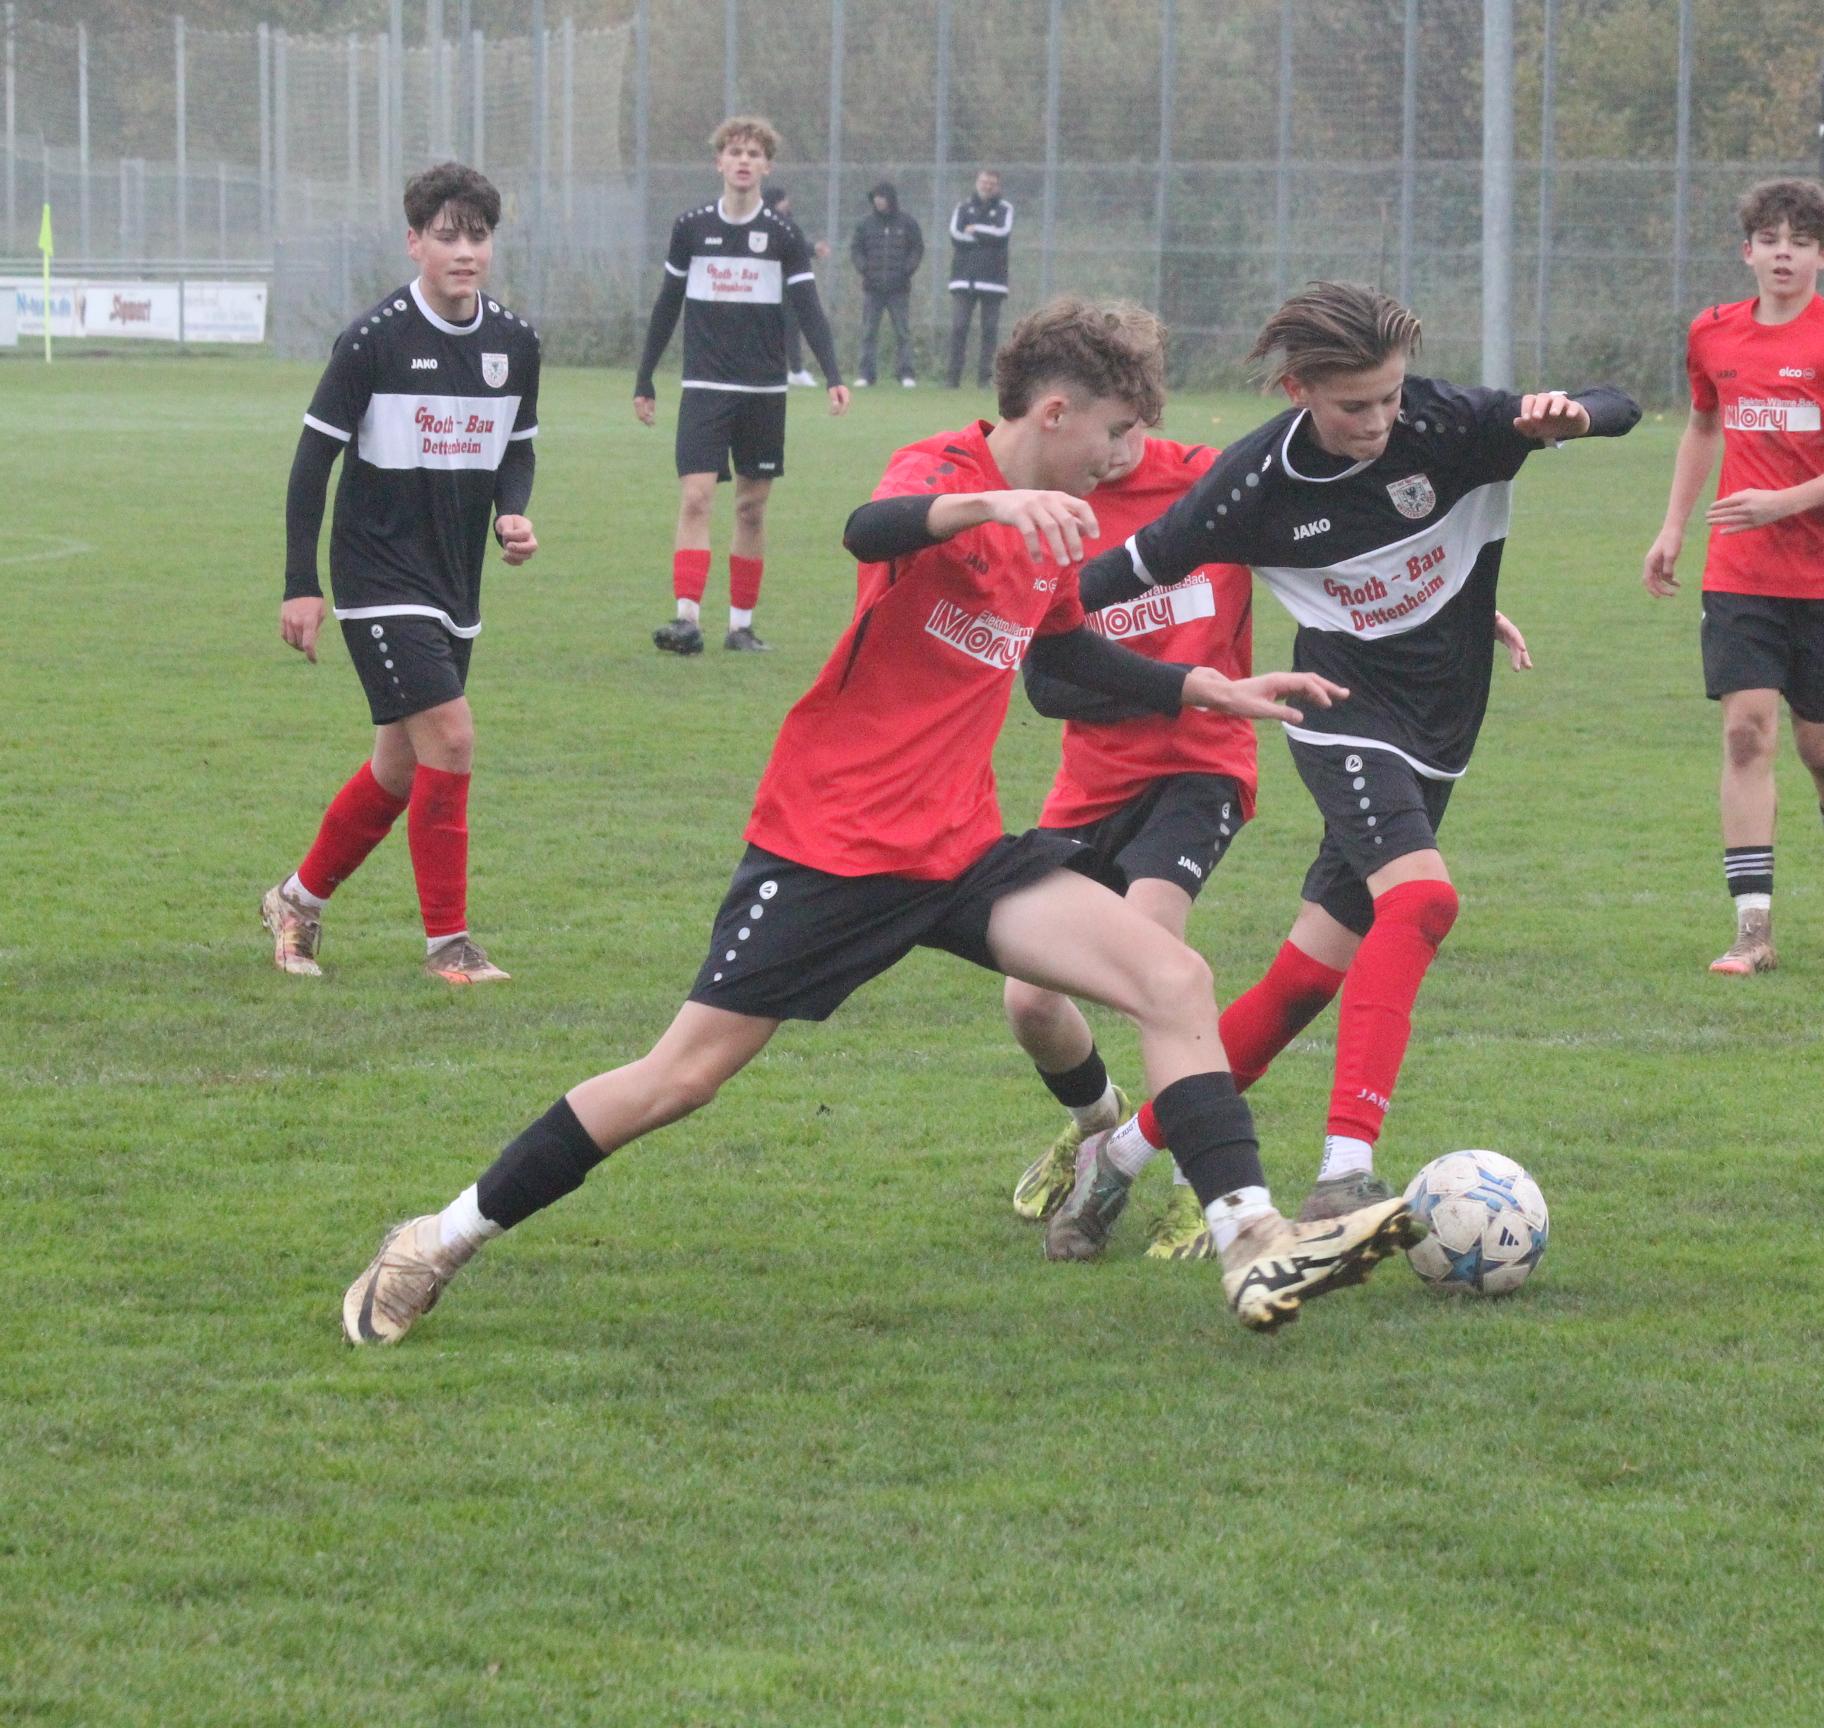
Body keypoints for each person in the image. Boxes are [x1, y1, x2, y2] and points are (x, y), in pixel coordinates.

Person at [338, 298, 1421, 1349]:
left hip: (959, 849)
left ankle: (1250, 1240)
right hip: (833, 848)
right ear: (1055, 413)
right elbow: (872, 529)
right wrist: (990, 508)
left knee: (1174, 980)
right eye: (1115, 431)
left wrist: (1205, 694)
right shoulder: (951, 471)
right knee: (680, 1078)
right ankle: (435, 1240)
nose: (1124, 454)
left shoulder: (1058, 528)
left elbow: (1063, 655)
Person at [1042, 281, 1639, 1240]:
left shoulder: (1448, 425)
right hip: (1341, 714)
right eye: (1354, 404)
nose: (1379, 420)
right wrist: (1010, 606)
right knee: (1423, 901)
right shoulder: (1253, 484)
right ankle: (1344, 1172)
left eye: (1390, 396)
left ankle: (1117, 1158)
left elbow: (1621, 403)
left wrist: (1569, 414)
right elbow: (1118, 578)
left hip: (1442, 728)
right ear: (1297, 390)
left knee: (1298, 986)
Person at [261, 161, 540, 988]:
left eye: (478, 235)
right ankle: (449, 945)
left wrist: (511, 513)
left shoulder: (515, 343)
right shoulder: (373, 339)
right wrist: (299, 583)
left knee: (399, 766)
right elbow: (313, 462)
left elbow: (515, 448)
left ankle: (296, 902)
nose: (465, 251)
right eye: (446, 235)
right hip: (376, 576)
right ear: (414, 241)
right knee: (452, 737)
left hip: (455, 581)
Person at [1000, 424, 1260, 1262]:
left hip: (1201, 770)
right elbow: (1045, 685)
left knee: (1154, 963)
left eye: (1122, 428)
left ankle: (1199, 1184)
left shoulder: (1213, 483)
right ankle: (1096, 1126)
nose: (1107, 450)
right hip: (1090, 781)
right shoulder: (1056, 508)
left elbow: (1333, 546)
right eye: (1091, 429)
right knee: (1030, 1001)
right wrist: (1178, 689)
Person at [1641, 177, 1824, 977]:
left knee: (1823, 751)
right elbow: (1702, 425)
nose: (1783, 252)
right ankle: (1752, 930)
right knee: (1746, 732)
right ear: (1747, 250)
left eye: (1800, 239)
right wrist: (1675, 526)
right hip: (1740, 574)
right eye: (1770, 238)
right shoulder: (1713, 334)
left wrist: (1781, 502)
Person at [634, 117, 847, 658]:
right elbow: (666, 305)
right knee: (697, 497)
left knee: (751, 509)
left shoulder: (782, 237)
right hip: (704, 387)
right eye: (735, 151)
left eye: (754, 152)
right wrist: (645, 376)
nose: (744, 160)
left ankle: (741, 627)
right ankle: (686, 619)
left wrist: (833, 375)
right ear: (720, 162)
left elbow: (808, 308)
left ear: (767, 165)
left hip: (763, 392)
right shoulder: (690, 228)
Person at [849, 178, 924, 388]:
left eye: (882, 198)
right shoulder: (865, 224)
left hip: (899, 289)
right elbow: (856, 250)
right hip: (872, 289)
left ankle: (906, 373)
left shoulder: (907, 223)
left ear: (891, 199)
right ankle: (866, 374)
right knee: (868, 332)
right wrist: (865, 269)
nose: (879, 202)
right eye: (875, 198)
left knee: (902, 332)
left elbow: (917, 249)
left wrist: (906, 271)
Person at [762, 181, 836, 388]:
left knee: (792, 327)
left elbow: (793, 247)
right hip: (768, 286)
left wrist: (812, 249)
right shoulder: (767, 223)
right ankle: (773, 368)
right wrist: (812, 248)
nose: (788, 203)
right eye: (784, 199)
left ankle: (795, 370)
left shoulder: (787, 222)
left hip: (789, 285)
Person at [945, 169, 1013, 390]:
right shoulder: (963, 207)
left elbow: (1002, 234)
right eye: (983, 181)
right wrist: (986, 235)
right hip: (964, 279)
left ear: (998, 186)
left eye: (991, 183)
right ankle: (952, 378)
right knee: (959, 327)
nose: (987, 186)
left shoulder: (1005, 209)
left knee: (990, 330)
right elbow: (956, 235)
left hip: (993, 281)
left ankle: (985, 379)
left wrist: (975, 229)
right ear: (977, 182)